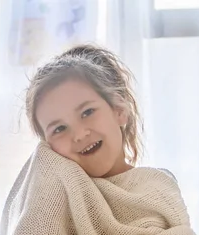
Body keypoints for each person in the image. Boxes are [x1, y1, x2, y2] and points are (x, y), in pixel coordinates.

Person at [25, 44, 143, 179]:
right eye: (59, 129)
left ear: (119, 110)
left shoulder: (158, 188)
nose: (79, 135)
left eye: (87, 113)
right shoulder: (48, 195)